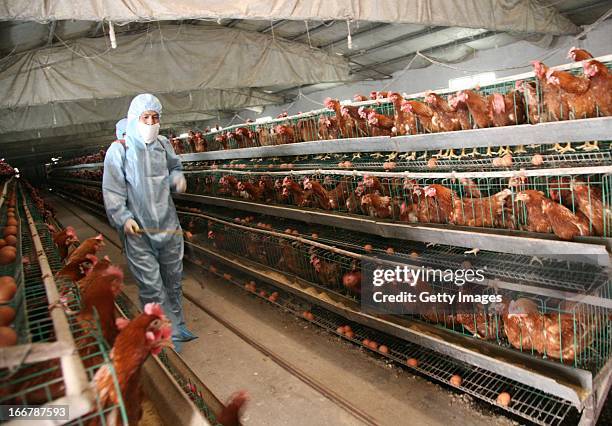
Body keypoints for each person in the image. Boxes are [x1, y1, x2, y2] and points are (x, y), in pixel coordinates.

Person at [102, 94, 197, 351]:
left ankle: (177, 326)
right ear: (135, 119)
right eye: (146, 117)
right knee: (152, 286)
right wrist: (123, 217)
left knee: (173, 280)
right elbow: (112, 189)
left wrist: (177, 177)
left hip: (167, 224)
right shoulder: (119, 150)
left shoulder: (163, 144)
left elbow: (174, 167)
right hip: (139, 230)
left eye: (155, 118)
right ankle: (158, 332)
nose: (151, 122)